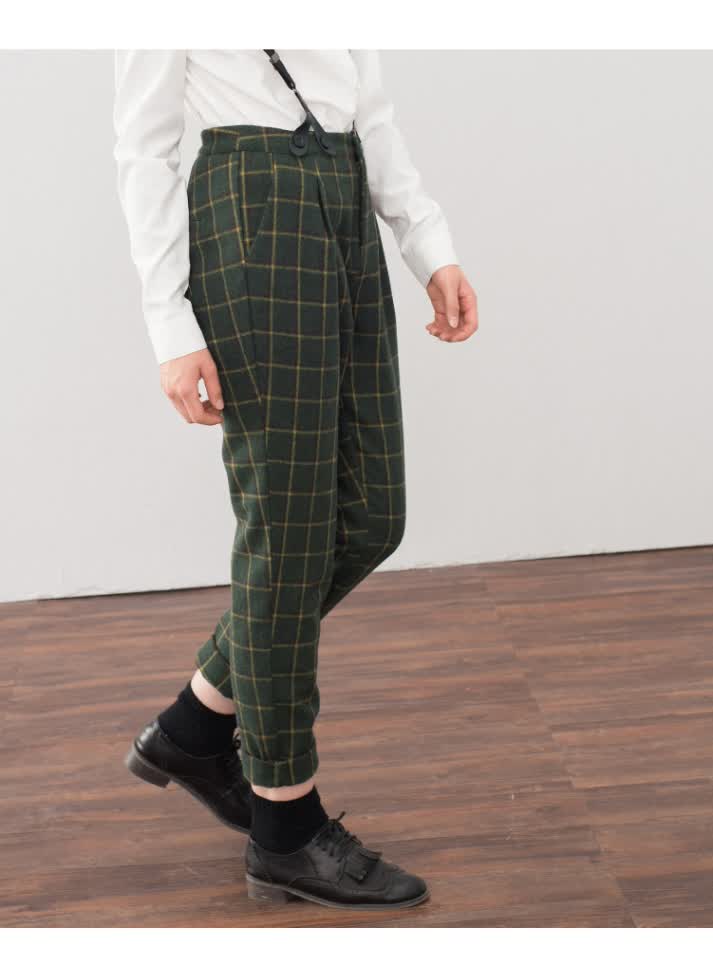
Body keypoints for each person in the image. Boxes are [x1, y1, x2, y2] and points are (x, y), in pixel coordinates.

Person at [113, 49, 478, 911]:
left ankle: (196, 722)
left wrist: (428, 243)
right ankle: (284, 825)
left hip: (344, 195)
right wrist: (171, 327)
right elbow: (143, 147)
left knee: (371, 513)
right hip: (251, 205)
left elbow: (367, 109)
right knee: (285, 529)